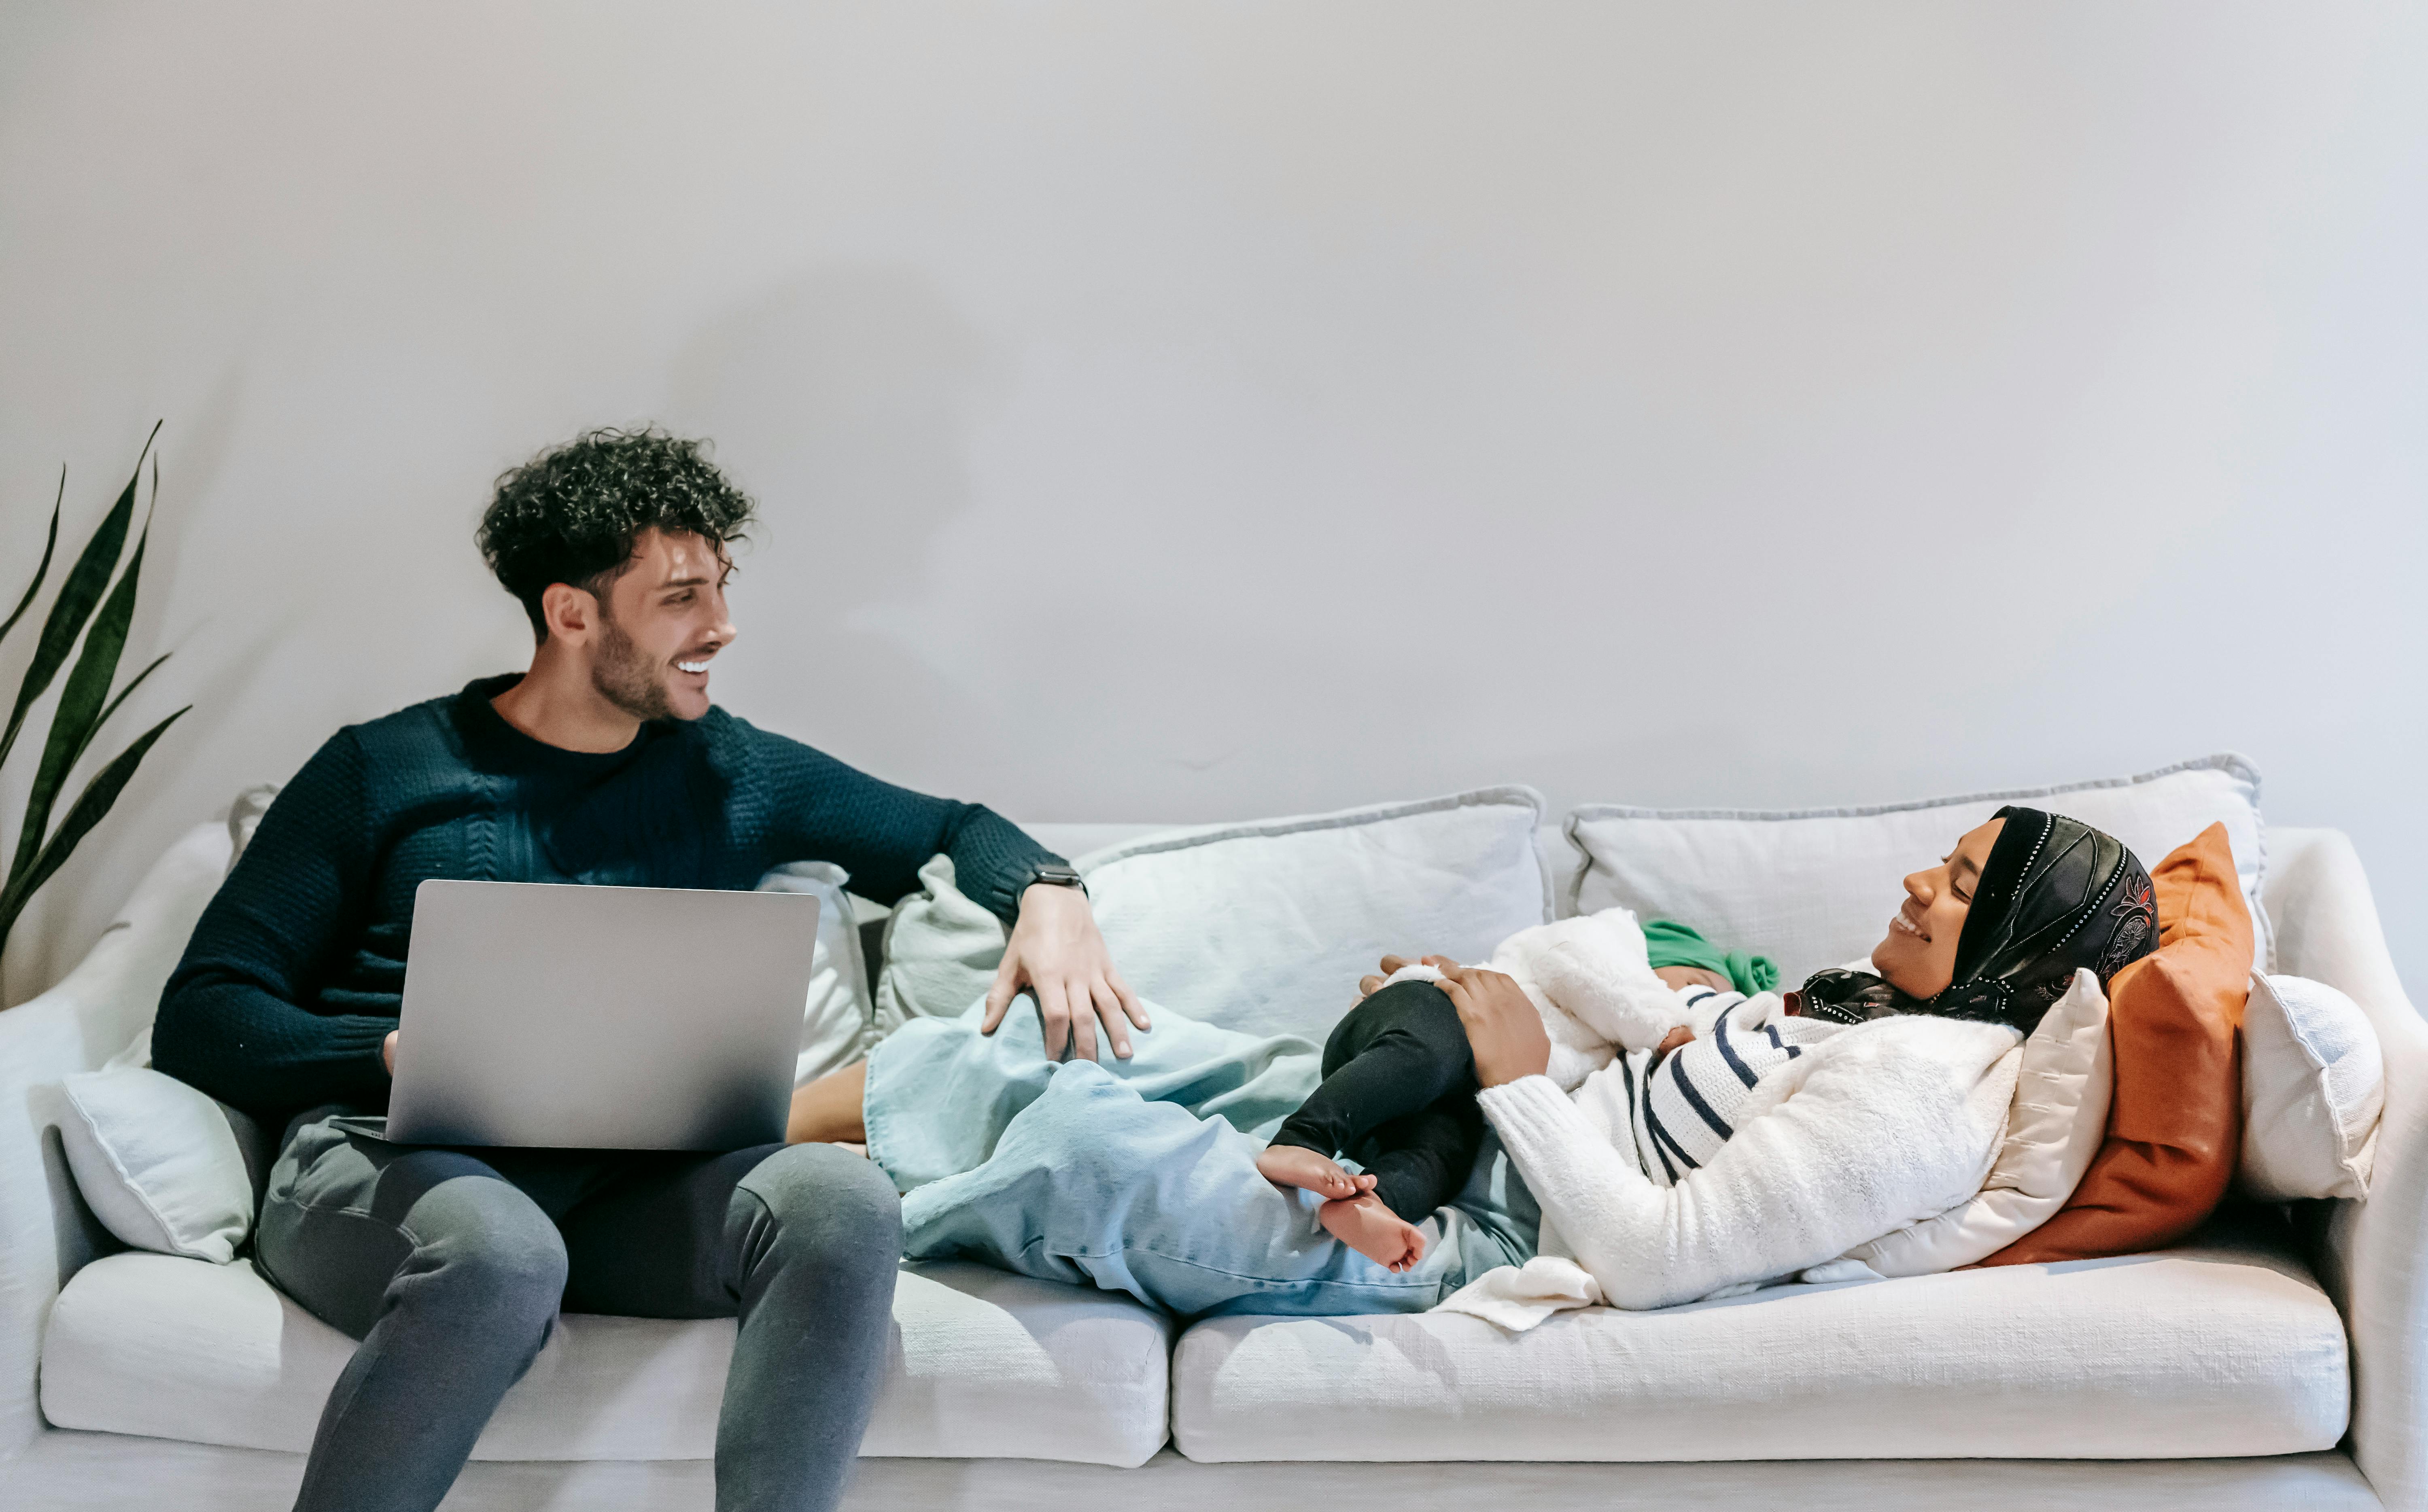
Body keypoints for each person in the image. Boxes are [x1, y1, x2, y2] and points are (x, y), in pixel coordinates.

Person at [151, 427, 1141, 1512]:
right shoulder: (381, 772)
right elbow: (201, 1015)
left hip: (635, 1189)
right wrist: (392, 1050)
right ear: (572, 613)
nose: (720, 627)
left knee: (841, 1197)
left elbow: (951, 826)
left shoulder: (733, 770)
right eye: (680, 597)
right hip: (392, 1160)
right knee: (504, 1255)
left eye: (720, 588)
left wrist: (1049, 892)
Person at [789, 806, 2155, 1320]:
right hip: (1477, 1115)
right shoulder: (1854, 1015)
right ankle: (712, 1140)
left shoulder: (1922, 1095)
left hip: (1476, 1221)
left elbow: (1665, 1253)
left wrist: (1508, 1078)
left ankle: (795, 1215)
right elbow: (1635, 1025)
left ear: (2018, 939)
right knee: (1051, 1033)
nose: (1921, 879)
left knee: (1092, 1151)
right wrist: (1460, 1011)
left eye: (1962, 880)